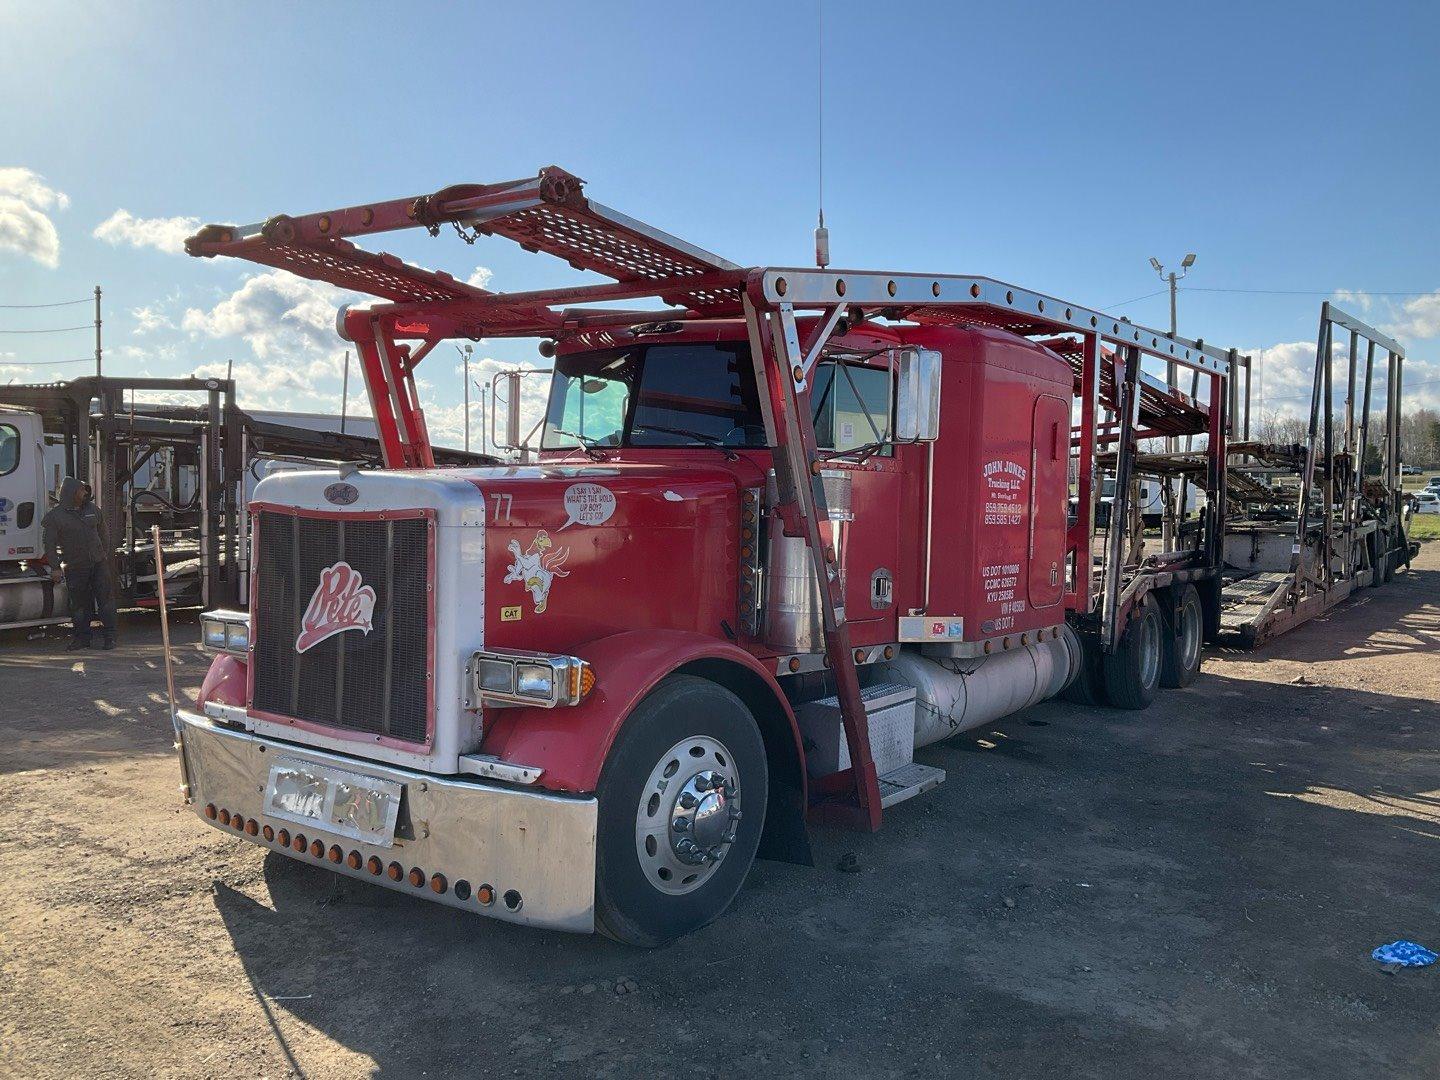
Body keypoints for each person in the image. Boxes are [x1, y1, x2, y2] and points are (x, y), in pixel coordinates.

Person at [42, 477, 117, 650]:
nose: (85, 493)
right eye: (81, 490)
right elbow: (49, 545)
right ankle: (82, 639)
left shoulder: (93, 510)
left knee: (106, 602)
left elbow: (104, 533)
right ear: (71, 493)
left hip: (98, 564)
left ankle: (110, 637)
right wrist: (54, 567)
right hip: (75, 566)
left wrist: (103, 554)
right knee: (79, 605)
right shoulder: (55, 516)